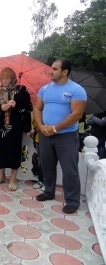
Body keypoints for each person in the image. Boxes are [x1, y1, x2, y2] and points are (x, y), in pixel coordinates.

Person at [34, 59, 87, 214]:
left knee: (69, 169)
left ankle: (72, 200)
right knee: (47, 165)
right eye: (51, 68)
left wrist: (56, 128)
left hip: (66, 136)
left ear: (65, 71)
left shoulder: (77, 90)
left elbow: (76, 114)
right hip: (45, 134)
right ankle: (49, 191)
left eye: (55, 69)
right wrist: (41, 126)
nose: (50, 71)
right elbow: (37, 108)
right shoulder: (45, 88)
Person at [0, 67, 33, 190]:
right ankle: (1, 175)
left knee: (13, 150)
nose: (4, 80)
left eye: (7, 78)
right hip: (0, 126)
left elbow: (28, 107)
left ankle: (13, 178)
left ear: (12, 79)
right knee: (0, 149)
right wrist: (1, 107)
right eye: (2, 78)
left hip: (15, 127)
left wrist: (16, 105)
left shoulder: (21, 90)